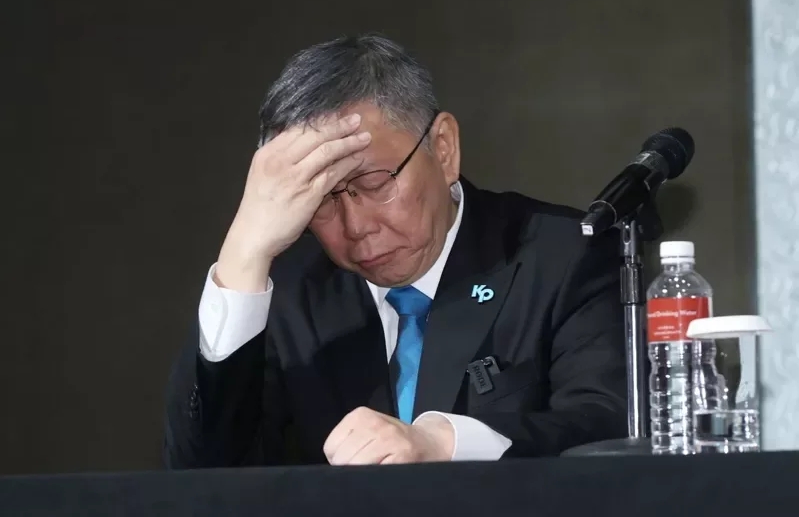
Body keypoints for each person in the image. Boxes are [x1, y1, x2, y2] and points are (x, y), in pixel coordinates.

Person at [163, 33, 627, 468]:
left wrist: (447, 443)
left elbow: (609, 431)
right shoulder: (287, 292)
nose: (357, 226)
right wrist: (243, 254)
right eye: (322, 199)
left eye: (375, 183)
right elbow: (200, 473)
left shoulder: (565, 255)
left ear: (443, 149)